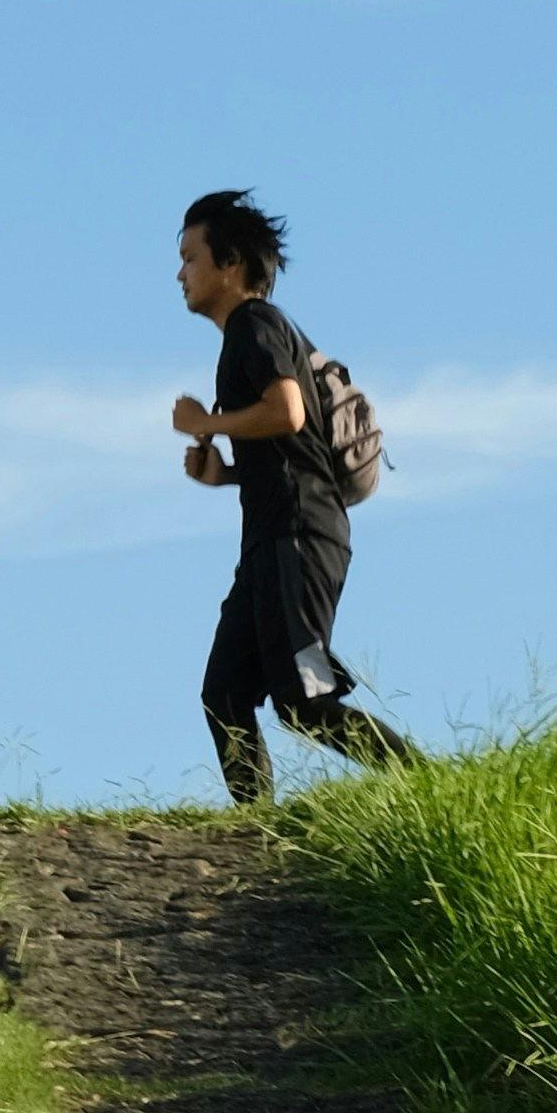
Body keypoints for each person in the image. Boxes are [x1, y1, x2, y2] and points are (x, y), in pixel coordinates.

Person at [169, 187, 416, 807]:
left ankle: (432, 789)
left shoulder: (257, 323)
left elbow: (288, 412)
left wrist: (207, 420)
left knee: (306, 702)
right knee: (224, 693)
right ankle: (260, 833)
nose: (180, 272)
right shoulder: (247, 336)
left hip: (298, 539)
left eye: (191, 257)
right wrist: (222, 475)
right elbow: (286, 447)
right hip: (272, 542)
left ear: (229, 265)